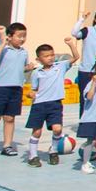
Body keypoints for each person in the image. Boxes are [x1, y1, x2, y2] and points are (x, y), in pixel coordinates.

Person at [23, 36, 78, 166]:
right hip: (39, 105)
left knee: (57, 129)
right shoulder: (37, 72)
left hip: (55, 103)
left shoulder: (60, 66)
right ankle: (33, 155)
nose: (50, 58)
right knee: (37, 131)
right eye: (46, 56)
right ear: (39, 59)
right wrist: (31, 94)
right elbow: (35, 89)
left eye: (52, 55)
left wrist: (71, 45)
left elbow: (75, 57)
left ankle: (53, 150)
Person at [0, 23, 32, 158]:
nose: (22, 39)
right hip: (0, 88)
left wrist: (29, 67)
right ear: (10, 36)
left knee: (10, 118)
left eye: (24, 36)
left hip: (16, 88)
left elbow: (22, 68)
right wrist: (3, 43)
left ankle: (7, 145)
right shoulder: (4, 49)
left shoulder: (24, 52)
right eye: (19, 36)